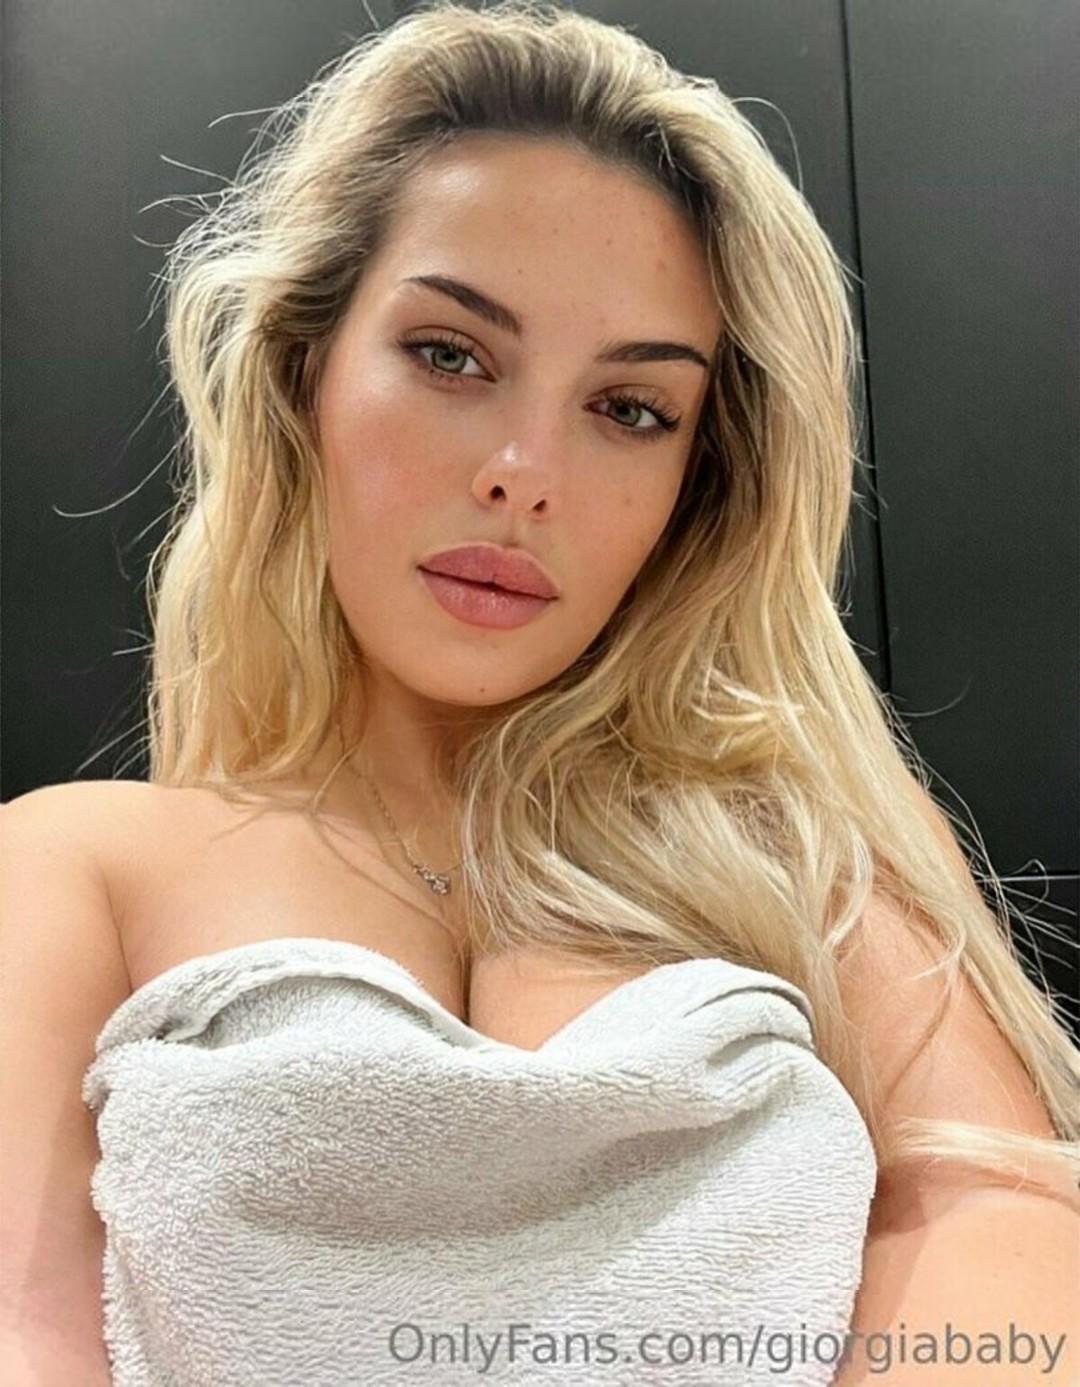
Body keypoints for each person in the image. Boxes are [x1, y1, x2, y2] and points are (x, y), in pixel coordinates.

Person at [3, 3, 1077, 1383]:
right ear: (303, 370)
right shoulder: (73, 871)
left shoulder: (803, 855)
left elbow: (1008, 1231)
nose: (523, 475)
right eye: (451, 355)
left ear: (697, 486)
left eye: (630, 410)